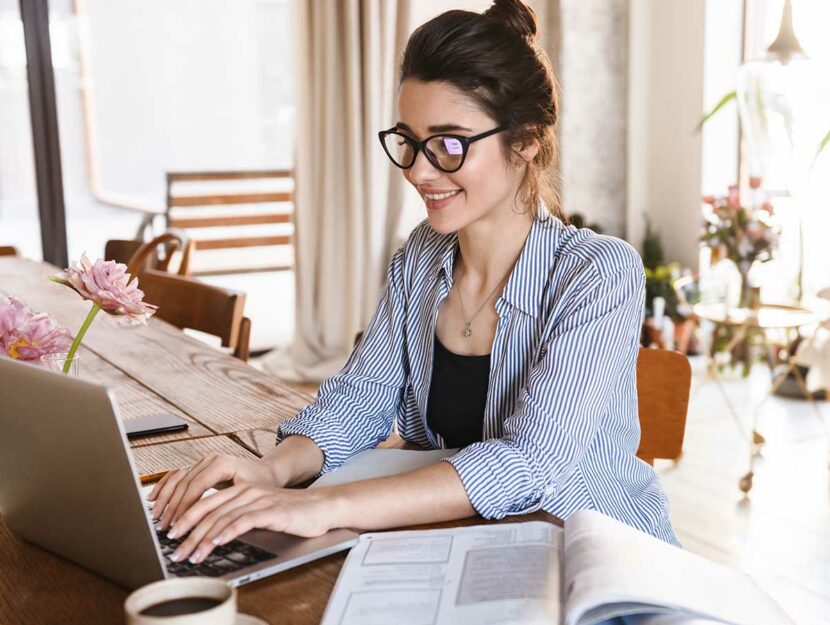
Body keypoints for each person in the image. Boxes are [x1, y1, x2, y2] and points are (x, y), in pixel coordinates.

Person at [149, 0, 680, 565]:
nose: (418, 171)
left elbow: (531, 463)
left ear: (525, 140)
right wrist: (269, 470)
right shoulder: (421, 256)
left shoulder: (597, 273)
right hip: (459, 546)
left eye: (449, 144)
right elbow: (357, 401)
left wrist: (323, 507)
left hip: (588, 559)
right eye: (408, 139)